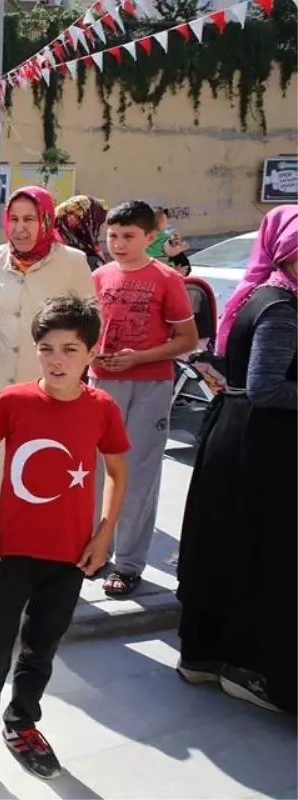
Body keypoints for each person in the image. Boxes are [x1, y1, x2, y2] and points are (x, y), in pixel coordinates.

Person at [0, 295, 130, 798]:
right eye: (46, 349)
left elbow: (116, 473)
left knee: (41, 651)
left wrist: (103, 534)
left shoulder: (102, 408)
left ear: (91, 352)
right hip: (12, 554)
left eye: (70, 348)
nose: (57, 359)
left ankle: (22, 724)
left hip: (70, 557)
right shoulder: (13, 401)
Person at [175, 204, 298, 715]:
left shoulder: (256, 294)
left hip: (237, 432)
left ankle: (204, 657)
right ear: (288, 253)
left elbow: (232, 366)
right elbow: (269, 388)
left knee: (225, 545)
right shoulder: (283, 308)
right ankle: (254, 672)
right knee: (263, 555)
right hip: (263, 444)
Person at [0, 187, 94, 541]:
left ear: (46, 220)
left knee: (40, 458)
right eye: (14, 219)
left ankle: (33, 539)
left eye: (30, 219)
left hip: (47, 379)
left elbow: (93, 316)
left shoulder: (71, 261)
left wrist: (74, 363)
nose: (20, 228)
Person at [92, 200, 198, 597]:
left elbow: (185, 340)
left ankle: (129, 563)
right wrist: (89, 356)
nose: (118, 244)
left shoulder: (167, 279)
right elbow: (88, 332)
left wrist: (139, 358)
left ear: (150, 237)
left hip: (150, 386)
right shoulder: (99, 276)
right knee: (96, 471)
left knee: (137, 474)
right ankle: (96, 552)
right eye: (112, 236)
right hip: (100, 383)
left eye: (128, 237)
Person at [53, 195, 108, 271]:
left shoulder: (51, 246)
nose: (102, 227)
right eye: (100, 221)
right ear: (89, 221)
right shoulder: (88, 259)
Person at [147, 207, 191, 275]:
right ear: (159, 223)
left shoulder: (144, 236)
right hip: (164, 268)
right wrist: (181, 248)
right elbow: (169, 251)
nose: (168, 222)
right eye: (166, 220)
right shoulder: (162, 237)